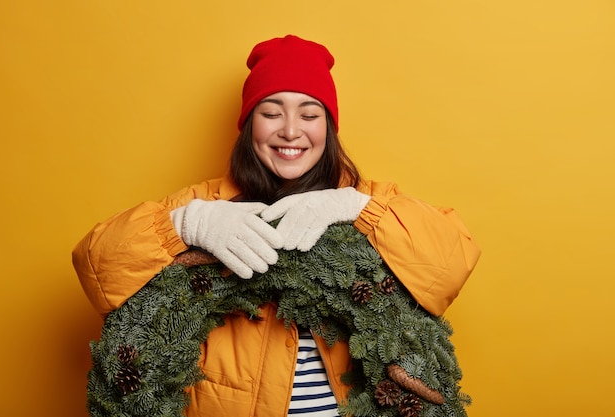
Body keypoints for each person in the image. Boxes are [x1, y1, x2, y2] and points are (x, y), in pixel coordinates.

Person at [73, 34, 480, 417]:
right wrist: (181, 224)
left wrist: (359, 210)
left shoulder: (365, 200)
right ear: (250, 124)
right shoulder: (206, 204)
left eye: (309, 113)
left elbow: (450, 262)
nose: (290, 130)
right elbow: (97, 265)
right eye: (271, 112)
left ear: (328, 127)